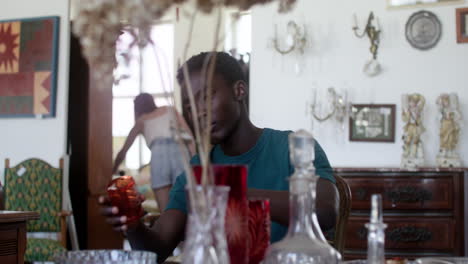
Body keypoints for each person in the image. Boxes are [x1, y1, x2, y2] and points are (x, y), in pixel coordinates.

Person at [101, 52, 338, 263]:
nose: (199, 113)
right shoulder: (194, 172)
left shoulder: (291, 148)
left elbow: (326, 211)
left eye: (206, 97)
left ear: (239, 91)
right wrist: (131, 225)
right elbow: (158, 249)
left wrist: (231, 194)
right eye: (190, 106)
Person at [113, 93, 194, 211]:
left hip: (158, 155)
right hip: (179, 151)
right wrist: (194, 161)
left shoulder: (141, 120)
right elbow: (190, 137)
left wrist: (113, 168)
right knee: (187, 206)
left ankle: (168, 228)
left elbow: (124, 149)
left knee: (166, 210)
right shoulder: (170, 110)